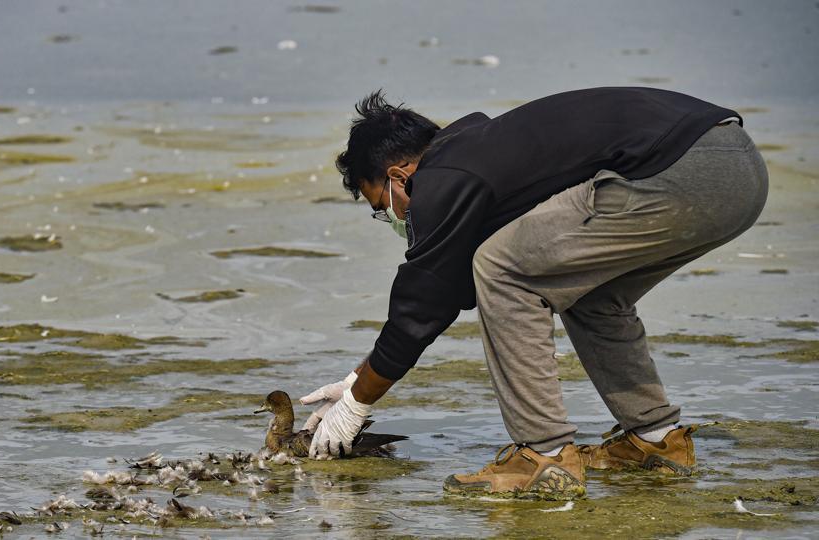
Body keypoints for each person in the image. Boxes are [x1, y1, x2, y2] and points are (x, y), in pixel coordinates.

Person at [298, 87, 768, 499]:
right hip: (737, 167)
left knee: (502, 270)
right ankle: (656, 439)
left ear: (400, 177)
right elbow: (441, 290)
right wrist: (357, 379)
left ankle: (543, 457)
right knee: (590, 292)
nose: (395, 218)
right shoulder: (481, 153)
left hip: (677, 169)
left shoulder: (443, 178)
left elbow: (426, 300)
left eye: (384, 206)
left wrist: (359, 403)